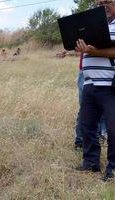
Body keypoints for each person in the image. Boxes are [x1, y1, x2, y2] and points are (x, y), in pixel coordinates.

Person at [75, 0, 115, 182]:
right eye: (100, 2)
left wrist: (94, 51)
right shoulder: (94, 26)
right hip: (89, 84)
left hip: (110, 86)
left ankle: (113, 169)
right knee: (87, 126)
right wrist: (80, 48)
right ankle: (91, 163)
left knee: (113, 129)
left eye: (108, 1)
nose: (104, 5)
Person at [74, 54, 107, 150]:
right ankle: (81, 141)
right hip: (87, 71)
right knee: (86, 109)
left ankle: (100, 137)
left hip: (108, 71)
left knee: (104, 108)